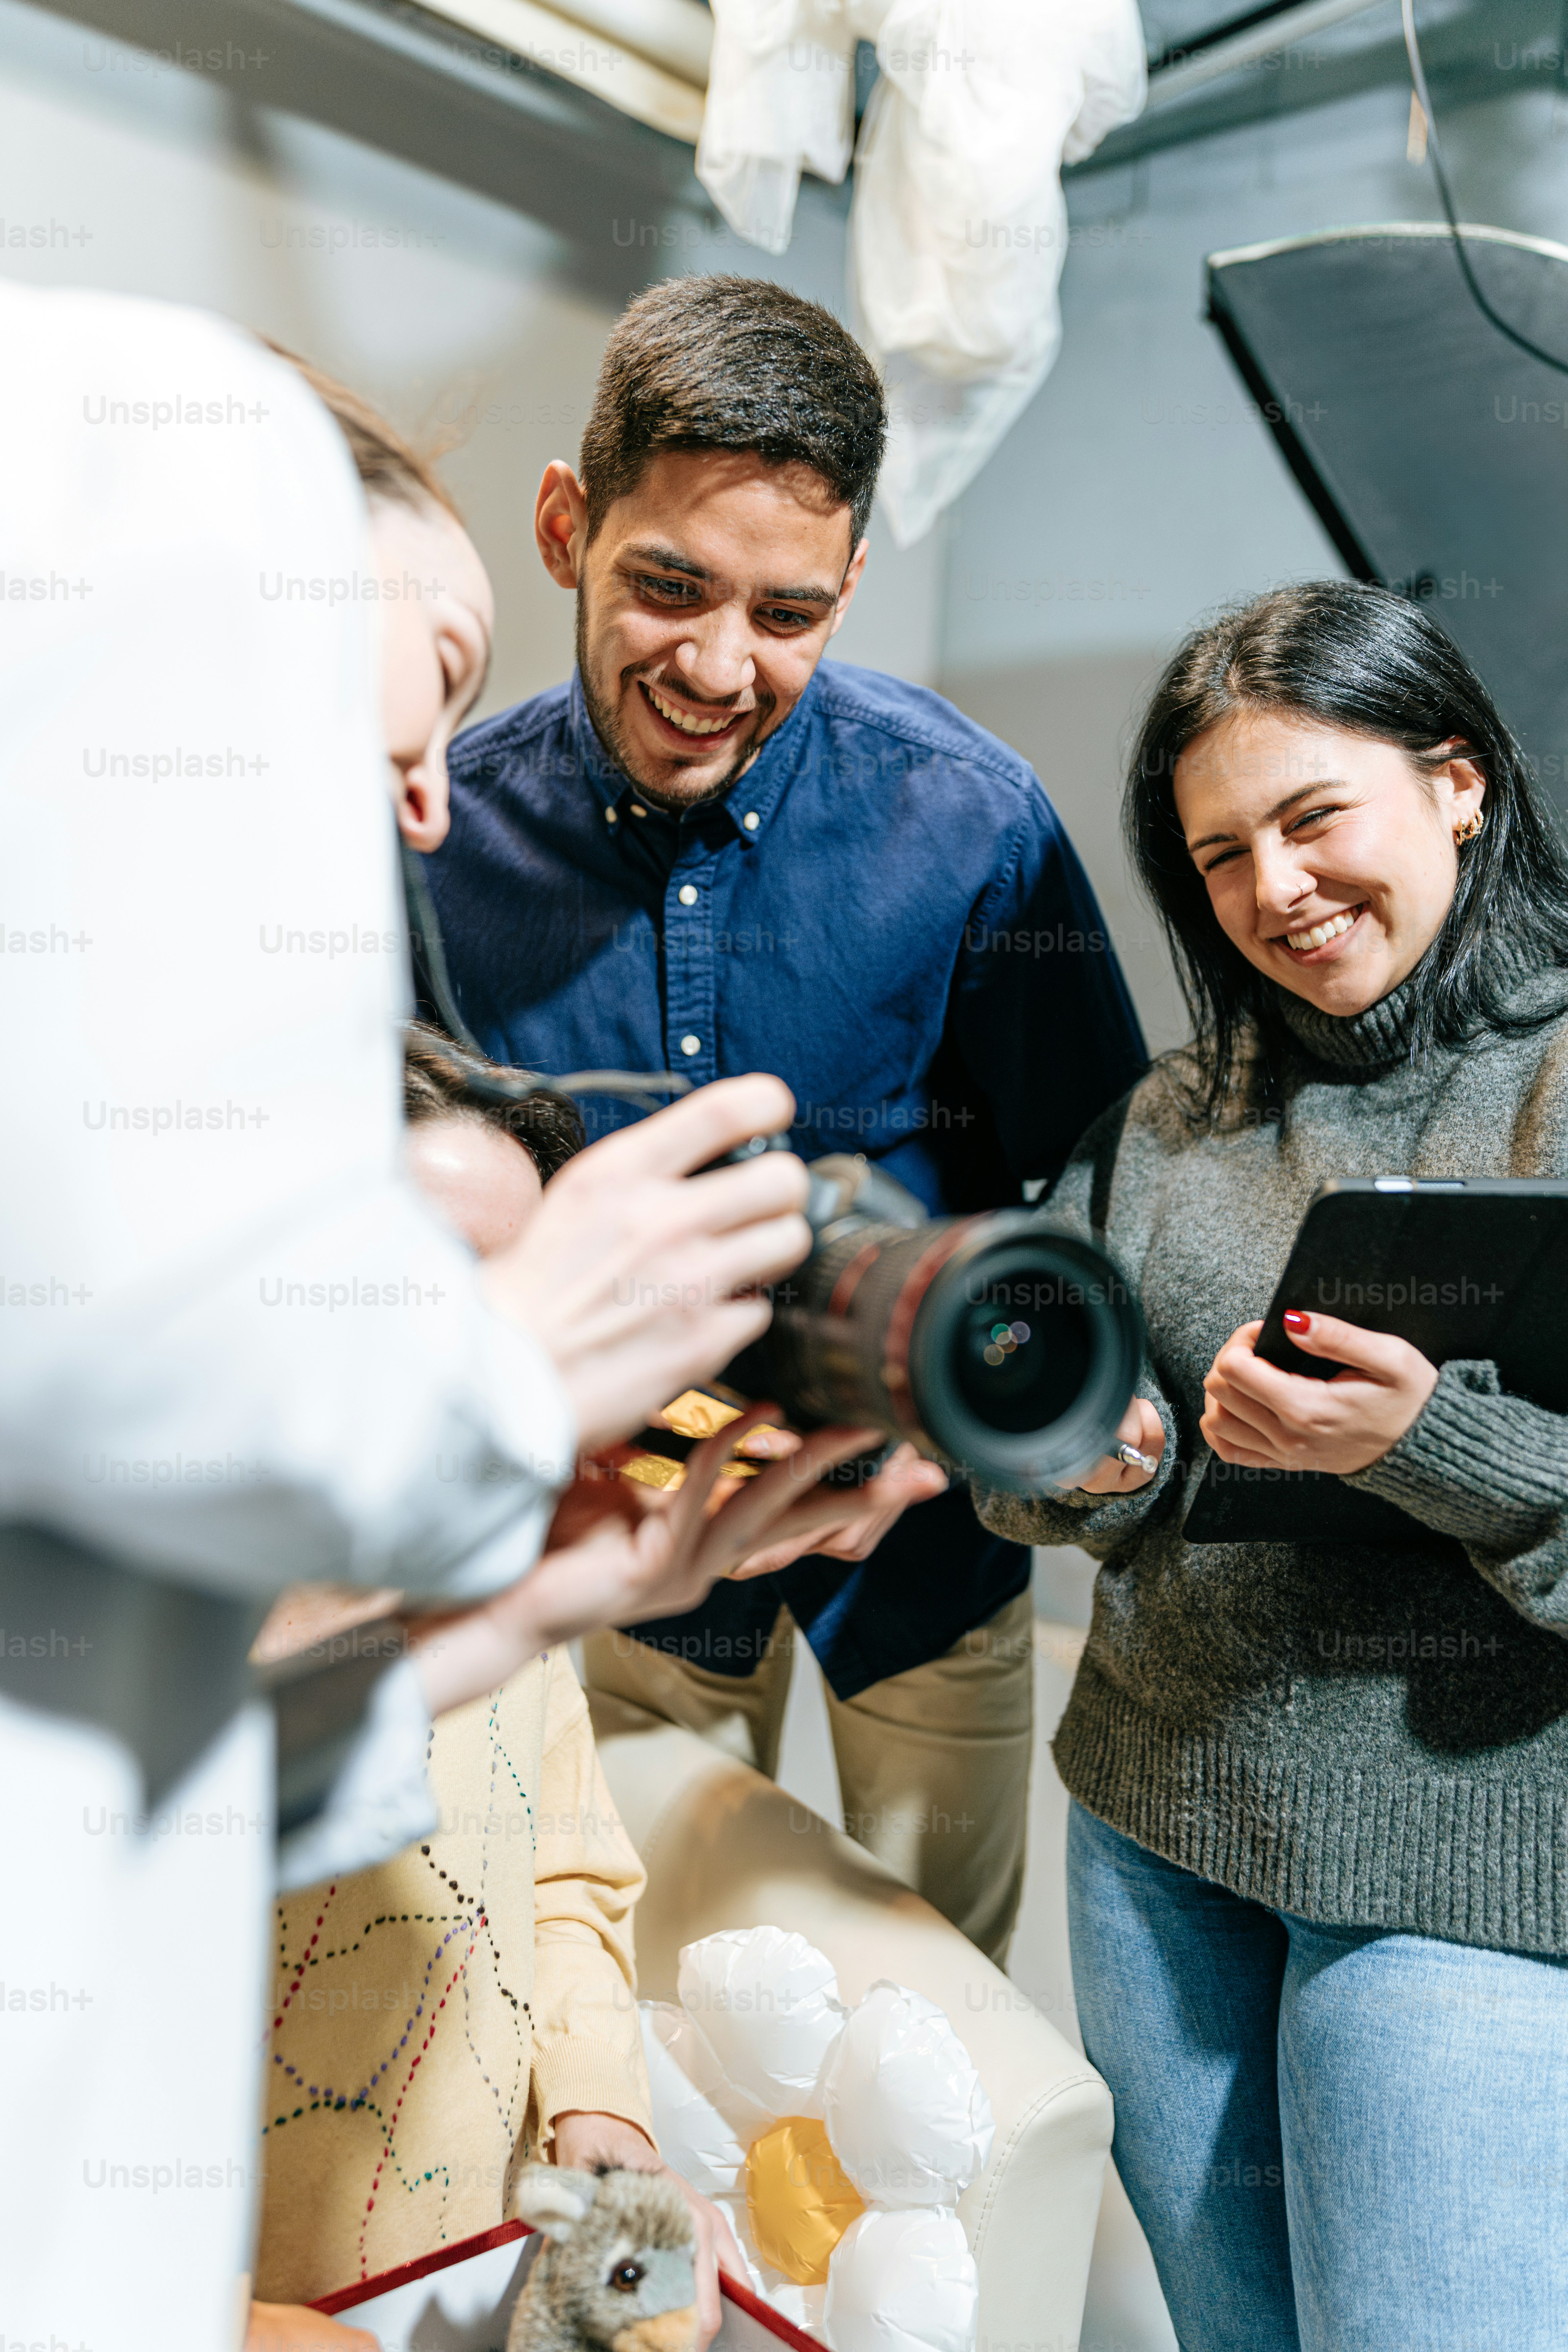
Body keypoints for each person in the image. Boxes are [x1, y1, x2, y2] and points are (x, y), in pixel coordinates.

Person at [0, 281, 875, 2352]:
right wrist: (513, 1365)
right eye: (439, 672)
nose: (430, 803)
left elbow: (122, 1788)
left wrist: (549, 1599)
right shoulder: (157, 426)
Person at [421, 274, 1148, 1962]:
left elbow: (1099, 1169)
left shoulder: (969, 818)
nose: (717, 667)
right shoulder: (437, 852)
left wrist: (962, 1436)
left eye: (787, 614)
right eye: (669, 585)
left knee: (936, 1996)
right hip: (625, 1543)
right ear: (566, 528)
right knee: (638, 1974)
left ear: (849, 589)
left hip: (931, 1537)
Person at [976, 580, 1568, 2350]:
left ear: (1456, 782)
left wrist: (1426, 1446)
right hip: (1160, 1842)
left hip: (1458, 1880)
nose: (1278, 890)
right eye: (1223, 856)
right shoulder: (1170, 1118)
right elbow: (1020, 1420)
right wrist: (1090, 1462)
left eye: (1314, 818)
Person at [247, 1030, 744, 2352]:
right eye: (427, 1278)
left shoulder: (505, 1554)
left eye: (520, 1294)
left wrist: (602, 2122)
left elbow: (563, 1876)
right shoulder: (141, 1611)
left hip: (458, 2266)